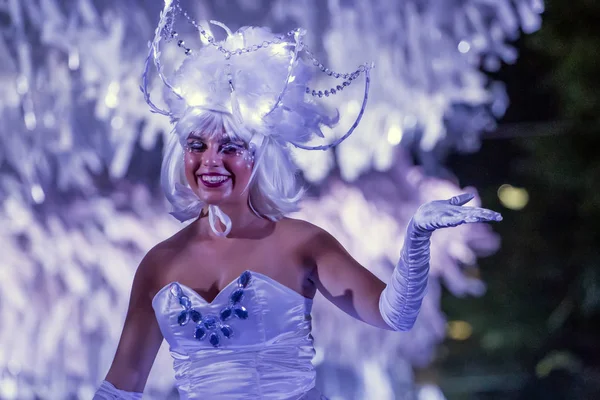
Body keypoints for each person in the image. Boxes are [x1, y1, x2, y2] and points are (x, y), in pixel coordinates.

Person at [93, 1, 502, 399]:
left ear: (259, 157)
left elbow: (393, 314)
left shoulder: (302, 244)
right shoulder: (159, 264)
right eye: (197, 144)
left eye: (231, 146)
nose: (210, 161)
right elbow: (120, 387)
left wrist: (416, 237)